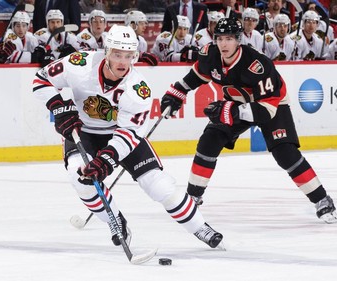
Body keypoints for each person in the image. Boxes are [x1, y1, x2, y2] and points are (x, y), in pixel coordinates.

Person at [32, 24, 224, 249]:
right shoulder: (79, 63)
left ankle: (200, 227)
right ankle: (115, 221)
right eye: (117, 54)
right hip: (83, 131)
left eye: (128, 55)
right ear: (107, 51)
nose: (123, 62)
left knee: (158, 185)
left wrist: (107, 158)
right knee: (80, 178)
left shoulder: (138, 88)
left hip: (120, 136)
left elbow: (128, 134)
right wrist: (58, 106)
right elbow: (41, 79)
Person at [159, 18, 337, 224]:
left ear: (238, 40)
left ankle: (322, 199)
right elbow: (195, 76)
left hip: (272, 103)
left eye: (229, 39)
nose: (223, 44)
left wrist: (229, 110)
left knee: (284, 152)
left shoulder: (257, 64)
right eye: (219, 39)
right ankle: (193, 198)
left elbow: (266, 110)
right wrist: (176, 94)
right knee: (210, 140)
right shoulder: (211, 54)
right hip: (237, 101)